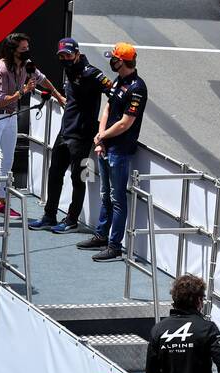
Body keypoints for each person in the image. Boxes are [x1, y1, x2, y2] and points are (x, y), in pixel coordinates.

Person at [0, 33, 65, 229]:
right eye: (23, 49)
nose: (27, 51)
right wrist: (23, 91)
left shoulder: (27, 65)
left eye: (27, 47)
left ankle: (0, 203)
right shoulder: (1, 68)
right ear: (13, 50)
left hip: (11, 115)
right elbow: (1, 99)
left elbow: (42, 79)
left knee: (8, 159)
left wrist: (58, 96)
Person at [29, 39, 111, 234]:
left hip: (82, 137)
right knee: (54, 173)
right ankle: (49, 216)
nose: (64, 58)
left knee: (79, 178)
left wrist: (104, 128)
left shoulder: (92, 73)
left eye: (67, 54)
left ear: (76, 53)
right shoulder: (69, 70)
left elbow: (114, 95)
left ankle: (72, 220)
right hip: (64, 132)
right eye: (61, 56)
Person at [77, 43, 147, 262]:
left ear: (122, 62)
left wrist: (103, 136)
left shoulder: (137, 87)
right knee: (105, 194)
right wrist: (100, 137)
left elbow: (126, 123)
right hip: (106, 145)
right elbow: (107, 108)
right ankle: (101, 235)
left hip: (120, 149)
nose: (111, 61)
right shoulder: (119, 81)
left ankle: (114, 245)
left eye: (114, 58)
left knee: (117, 198)